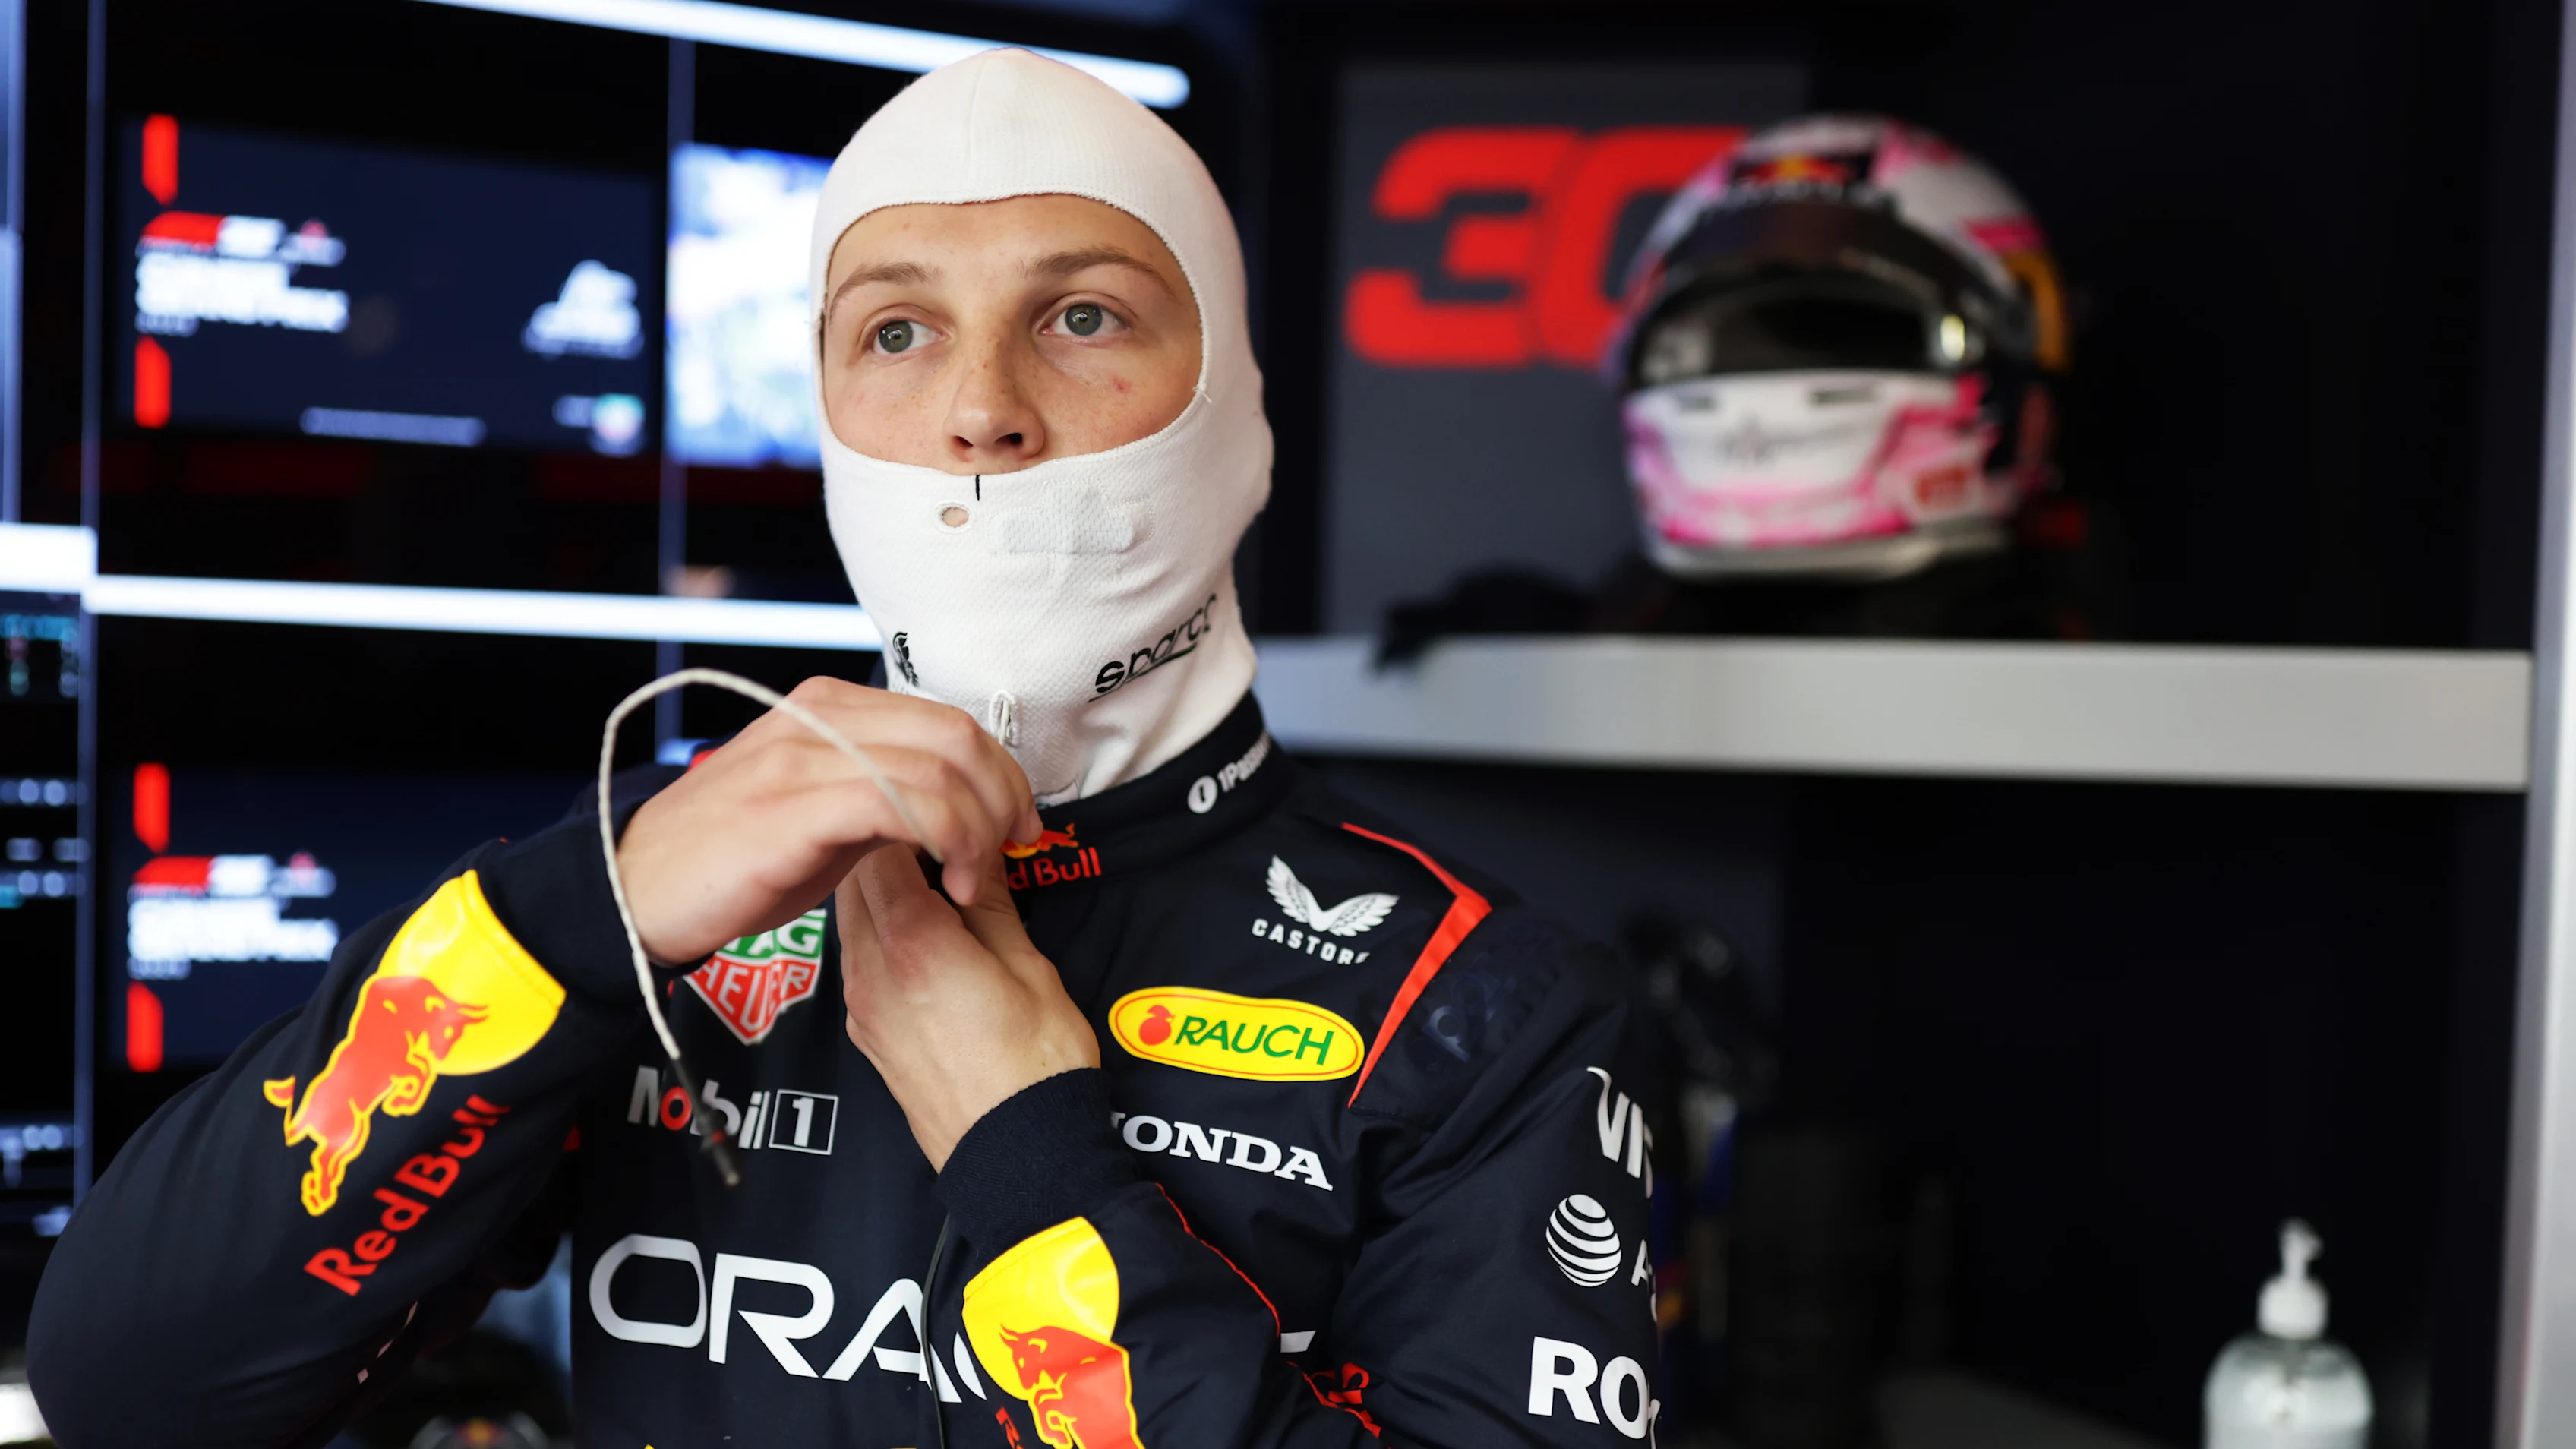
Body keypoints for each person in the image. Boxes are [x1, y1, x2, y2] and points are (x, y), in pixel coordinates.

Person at [30, 49, 1659, 1448]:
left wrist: (1035, 1172)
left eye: (1082, 314)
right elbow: (134, 1388)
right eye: (895, 333)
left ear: (1232, 407)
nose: (981, 412)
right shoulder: (668, 910)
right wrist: (574, 919)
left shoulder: (1484, 1011)